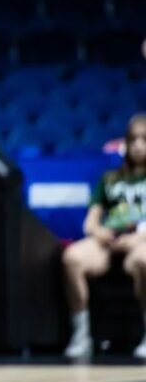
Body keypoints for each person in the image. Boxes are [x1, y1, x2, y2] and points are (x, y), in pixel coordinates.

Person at [62, 114, 146, 359]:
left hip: (141, 240)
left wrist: (138, 237)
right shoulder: (110, 178)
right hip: (110, 241)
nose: (139, 145)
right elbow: (91, 221)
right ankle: (81, 334)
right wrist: (100, 233)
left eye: (144, 139)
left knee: (143, 260)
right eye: (134, 139)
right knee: (72, 258)